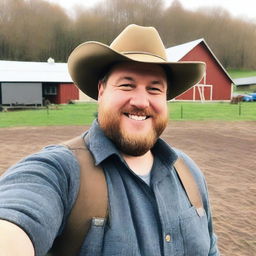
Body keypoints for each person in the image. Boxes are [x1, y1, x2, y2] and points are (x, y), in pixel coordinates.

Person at [0, 24, 219, 256]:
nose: (141, 101)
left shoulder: (190, 174)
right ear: (101, 91)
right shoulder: (61, 171)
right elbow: (15, 219)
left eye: (155, 89)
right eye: (127, 85)